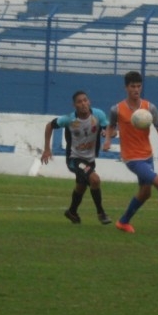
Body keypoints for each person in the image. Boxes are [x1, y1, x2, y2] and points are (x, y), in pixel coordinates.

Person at [103, 71, 158, 234]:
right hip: (131, 158)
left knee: (145, 193)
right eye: (132, 86)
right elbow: (111, 127)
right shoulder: (117, 109)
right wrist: (108, 140)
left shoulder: (150, 108)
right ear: (126, 87)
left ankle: (123, 222)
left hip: (147, 155)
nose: (136, 89)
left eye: (138, 86)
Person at [41, 90, 112, 225]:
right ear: (75, 105)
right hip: (74, 159)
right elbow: (49, 125)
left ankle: (72, 212)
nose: (83, 104)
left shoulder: (98, 115)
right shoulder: (69, 119)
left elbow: (109, 129)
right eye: (79, 102)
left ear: (89, 102)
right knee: (94, 180)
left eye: (85, 100)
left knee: (81, 186)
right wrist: (47, 149)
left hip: (90, 159)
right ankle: (101, 213)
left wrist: (108, 136)